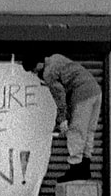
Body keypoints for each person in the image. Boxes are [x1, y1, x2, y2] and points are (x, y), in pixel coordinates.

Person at [22, 53, 102, 183]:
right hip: (95, 92)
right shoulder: (56, 58)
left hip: (82, 95)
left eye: (33, 70)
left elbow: (59, 96)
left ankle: (76, 168)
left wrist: (63, 119)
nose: (33, 73)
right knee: (88, 132)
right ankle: (85, 168)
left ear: (38, 64)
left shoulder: (48, 73)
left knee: (76, 131)